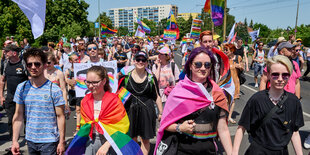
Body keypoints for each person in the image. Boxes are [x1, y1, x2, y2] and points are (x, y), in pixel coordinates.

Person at [155, 47, 232, 155]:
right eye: (198, 64)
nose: (203, 68)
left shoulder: (217, 93)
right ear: (190, 66)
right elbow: (164, 124)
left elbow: (223, 129)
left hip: (209, 151)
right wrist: (180, 127)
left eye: (207, 65)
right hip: (182, 150)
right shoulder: (178, 92)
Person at [232, 55, 304, 155]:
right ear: (269, 75)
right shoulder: (257, 100)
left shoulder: (294, 102)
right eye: (275, 74)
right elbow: (241, 127)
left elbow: (295, 132)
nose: (280, 79)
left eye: (285, 75)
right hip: (258, 151)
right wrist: (234, 152)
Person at [11, 48, 66, 155]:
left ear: (45, 65)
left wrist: (62, 141)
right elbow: (18, 116)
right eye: (29, 64)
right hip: (30, 140)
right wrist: (14, 141)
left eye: (37, 64)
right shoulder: (21, 88)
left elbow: (60, 116)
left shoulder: (54, 89)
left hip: (50, 142)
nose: (33, 67)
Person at [119, 51, 162, 154]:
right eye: (138, 59)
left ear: (147, 63)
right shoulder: (126, 76)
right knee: (132, 137)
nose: (140, 62)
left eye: (143, 60)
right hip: (130, 109)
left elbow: (156, 96)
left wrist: (161, 112)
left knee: (145, 139)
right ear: (134, 61)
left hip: (147, 109)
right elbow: (119, 94)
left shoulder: (151, 77)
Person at [80, 66, 129, 154]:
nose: (90, 86)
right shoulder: (85, 101)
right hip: (90, 141)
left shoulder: (114, 101)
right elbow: (84, 125)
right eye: (88, 82)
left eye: (95, 82)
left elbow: (122, 127)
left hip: (111, 143)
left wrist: (107, 144)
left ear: (103, 81)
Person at [0, 45, 28, 152]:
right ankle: (14, 142)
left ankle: (28, 139)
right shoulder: (5, 63)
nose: (5, 53)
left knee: (26, 119)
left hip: (24, 97)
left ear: (14, 53)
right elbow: (2, 80)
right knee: (11, 120)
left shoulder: (23, 63)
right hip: (10, 97)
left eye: (7, 51)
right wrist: (1, 96)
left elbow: (30, 79)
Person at [224, 44, 244, 124]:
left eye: (227, 50)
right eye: (225, 50)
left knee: (233, 100)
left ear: (232, 50)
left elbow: (242, 67)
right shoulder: (224, 59)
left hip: (235, 81)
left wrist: (239, 66)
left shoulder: (238, 58)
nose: (225, 51)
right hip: (226, 82)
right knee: (225, 99)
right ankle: (223, 115)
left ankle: (229, 117)